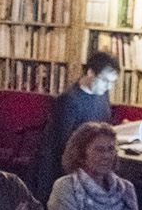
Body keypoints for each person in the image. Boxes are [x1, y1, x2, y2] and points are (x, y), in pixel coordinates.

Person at [36, 50, 120, 194]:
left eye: (112, 82)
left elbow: (103, 125)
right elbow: (62, 144)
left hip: (93, 161)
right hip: (69, 169)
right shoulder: (69, 100)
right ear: (90, 73)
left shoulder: (102, 94)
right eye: (106, 81)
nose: (109, 87)